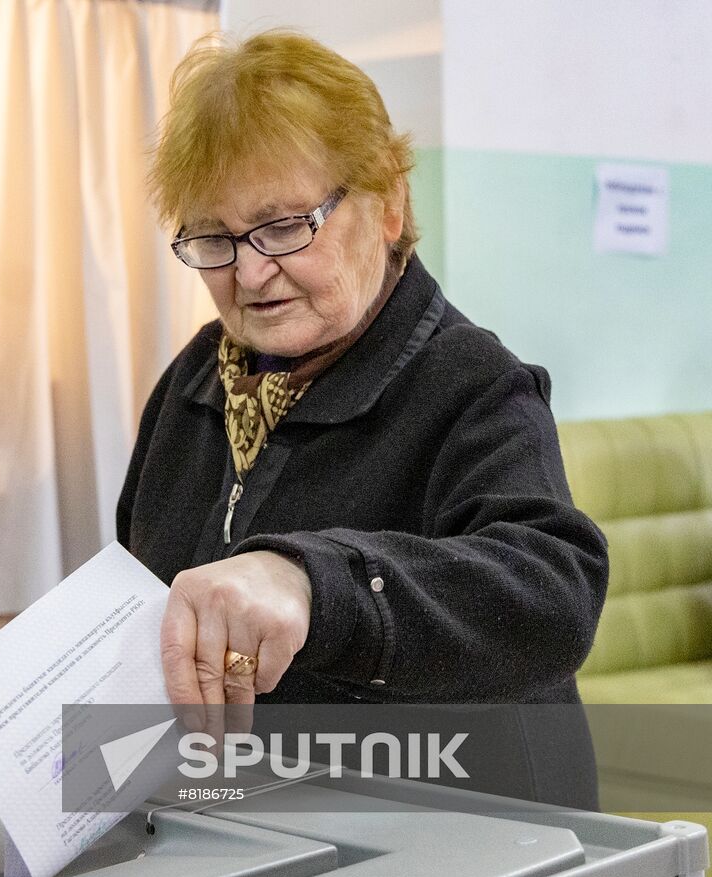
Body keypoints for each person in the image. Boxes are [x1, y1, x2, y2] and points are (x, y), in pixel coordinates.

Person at [117, 30, 609, 808]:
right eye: (215, 237)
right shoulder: (195, 385)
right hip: (263, 829)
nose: (249, 272)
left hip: (465, 834)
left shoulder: (472, 383)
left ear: (388, 203)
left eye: (283, 227)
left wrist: (315, 585)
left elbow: (553, 594)